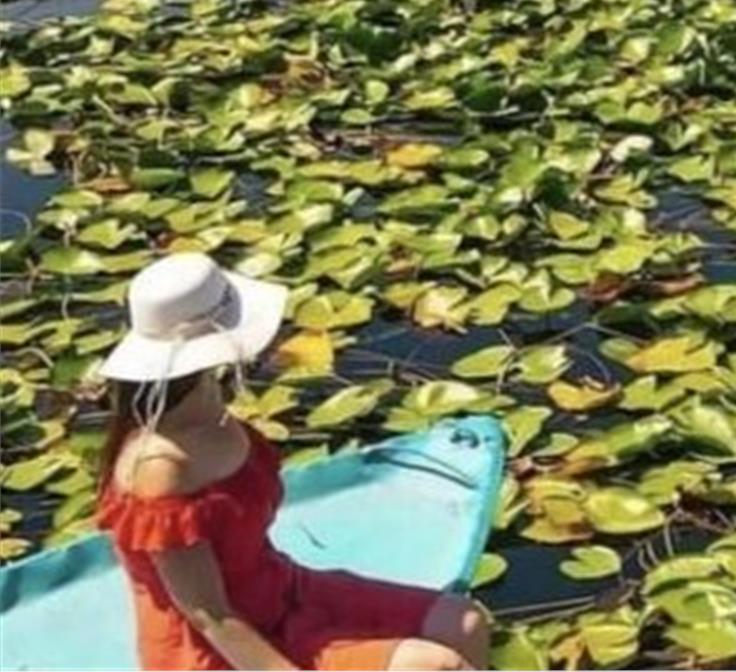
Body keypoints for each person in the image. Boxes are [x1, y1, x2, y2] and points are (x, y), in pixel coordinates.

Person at [96, 252, 490, 672]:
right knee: (434, 667)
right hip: (219, 648)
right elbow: (207, 614)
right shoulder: (161, 468)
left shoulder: (213, 407)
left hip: (282, 591)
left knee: (464, 621)